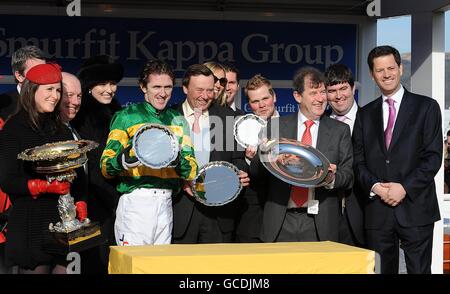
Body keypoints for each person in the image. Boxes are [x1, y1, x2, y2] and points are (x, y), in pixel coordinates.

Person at [353, 45, 442, 274]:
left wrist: (404, 187)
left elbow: (432, 157)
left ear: (401, 69)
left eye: (391, 67)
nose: (386, 74)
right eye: (380, 70)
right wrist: (376, 187)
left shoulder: (426, 107)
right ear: (372, 75)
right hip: (377, 210)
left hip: (416, 207)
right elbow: (358, 161)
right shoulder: (364, 114)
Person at [0, 63, 87, 274]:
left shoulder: (61, 129)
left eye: (58, 90)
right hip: (30, 223)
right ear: (32, 90)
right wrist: (42, 186)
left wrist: (81, 202)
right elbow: (7, 179)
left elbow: (76, 173)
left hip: (63, 221)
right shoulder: (14, 128)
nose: (55, 96)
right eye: (49, 89)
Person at [249, 66, 353, 243]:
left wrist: (331, 178)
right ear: (298, 96)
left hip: (320, 223)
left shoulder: (340, 130)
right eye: (313, 93)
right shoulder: (276, 126)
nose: (321, 98)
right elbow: (257, 174)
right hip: (280, 220)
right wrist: (262, 155)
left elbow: (348, 175)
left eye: (322, 92)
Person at [100, 60, 198, 246]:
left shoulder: (178, 120)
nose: (163, 93)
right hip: (136, 202)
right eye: (156, 87)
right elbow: (106, 166)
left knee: (160, 267)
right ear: (143, 87)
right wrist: (125, 158)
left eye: (168, 87)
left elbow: (192, 170)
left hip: (166, 202)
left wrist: (176, 160)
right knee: (133, 267)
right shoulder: (126, 116)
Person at [172, 64, 249, 243]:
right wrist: (181, 180)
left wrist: (238, 173)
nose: (205, 96)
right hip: (181, 213)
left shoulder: (228, 118)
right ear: (185, 88)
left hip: (218, 216)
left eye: (209, 90)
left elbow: (238, 159)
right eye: (199, 90)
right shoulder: (170, 117)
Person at [71, 55, 123, 273]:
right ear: (89, 86)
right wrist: (113, 197)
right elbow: (89, 164)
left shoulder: (117, 111)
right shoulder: (81, 115)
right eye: (102, 83)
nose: (109, 89)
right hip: (89, 204)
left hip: (112, 202)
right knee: (94, 261)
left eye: (112, 83)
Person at [235, 74, 280, 243]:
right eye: (255, 101)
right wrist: (247, 159)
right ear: (249, 104)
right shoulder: (240, 131)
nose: (261, 105)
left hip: (285, 216)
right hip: (252, 218)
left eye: (265, 98)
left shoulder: (293, 126)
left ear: (274, 96)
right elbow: (238, 171)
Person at [324, 63, 365, 247]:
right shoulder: (318, 122)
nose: (338, 96)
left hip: (363, 212)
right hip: (326, 212)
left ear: (353, 88)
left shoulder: (371, 118)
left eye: (343, 88)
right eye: (332, 90)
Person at [0, 45, 46, 128]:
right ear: (19, 76)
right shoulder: (2, 105)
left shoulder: (53, 102)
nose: (42, 76)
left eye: (45, 70)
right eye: (36, 71)